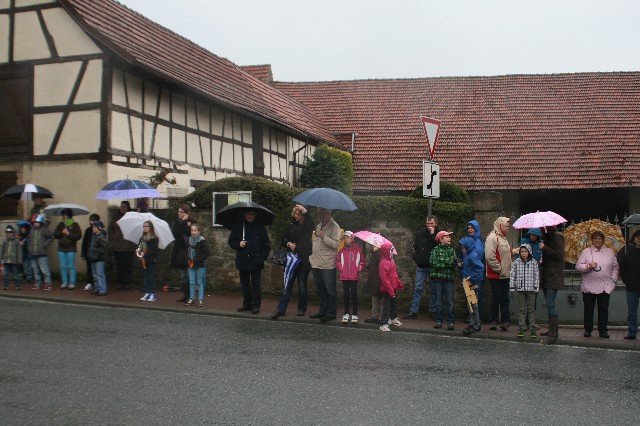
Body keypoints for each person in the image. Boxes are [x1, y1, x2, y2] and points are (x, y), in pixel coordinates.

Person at [272, 204, 314, 319]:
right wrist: (288, 243)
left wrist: (304, 210)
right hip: (291, 259)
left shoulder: (306, 225)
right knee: (287, 285)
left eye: (300, 214)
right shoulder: (290, 224)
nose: (297, 216)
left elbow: (311, 224)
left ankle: (301, 308)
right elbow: (283, 238)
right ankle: (281, 309)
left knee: (302, 286)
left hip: (303, 260)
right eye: (296, 214)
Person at [575, 231, 619, 338]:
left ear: (603, 240)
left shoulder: (610, 252)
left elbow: (615, 267)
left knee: (603, 309)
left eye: (599, 238)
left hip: (605, 286)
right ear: (592, 240)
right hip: (589, 286)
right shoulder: (586, 252)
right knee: (588, 309)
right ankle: (588, 330)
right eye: (595, 238)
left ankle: (603, 330)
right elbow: (578, 266)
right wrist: (588, 266)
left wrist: (613, 280)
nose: (597, 240)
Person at [228, 210, 271, 314]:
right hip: (243, 260)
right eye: (247, 214)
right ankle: (247, 304)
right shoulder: (239, 227)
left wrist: (262, 258)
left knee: (256, 284)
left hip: (256, 260)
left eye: (251, 214)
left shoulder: (260, 228)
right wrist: (239, 244)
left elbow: (266, 244)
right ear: (244, 215)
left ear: (255, 215)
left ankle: (256, 305)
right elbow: (231, 241)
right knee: (245, 284)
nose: (249, 216)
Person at [403, 215, 439, 320]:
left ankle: (433, 311)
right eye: (427, 223)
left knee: (433, 289)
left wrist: (432, 234)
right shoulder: (420, 233)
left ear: (436, 224)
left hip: (433, 266)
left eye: (431, 223)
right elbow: (415, 246)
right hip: (421, 265)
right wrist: (417, 257)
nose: (429, 225)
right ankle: (414, 312)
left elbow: (437, 246)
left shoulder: (439, 234)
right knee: (418, 287)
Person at [309, 207, 341, 323]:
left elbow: (336, 244)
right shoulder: (319, 225)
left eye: (321, 213)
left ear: (328, 213)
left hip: (327, 263)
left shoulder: (335, 227)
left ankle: (331, 313)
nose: (319, 215)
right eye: (318, 213)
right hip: (316, 262)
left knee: (330, 290)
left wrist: (324, 236)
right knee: (320, 289)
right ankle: (322, 311)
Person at [485, 216, 512, 331]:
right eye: (506, 226)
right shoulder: (492, 237)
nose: (508, 228)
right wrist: (499, 269)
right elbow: (489, 256)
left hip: (504, 274)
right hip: (496, 274)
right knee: (496, 297)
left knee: (505, 298)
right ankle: (493, 321)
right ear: (500, 225)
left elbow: (504, 254)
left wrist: (513, 252)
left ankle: (505, 321)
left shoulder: (503, 238)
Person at [539, 225, 565, 344]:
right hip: (547, 275)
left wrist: (544, 248)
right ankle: (552, 330)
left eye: (543, 228)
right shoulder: (547, 238)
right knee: (549, 303)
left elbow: (559, 255)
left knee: (550, 304)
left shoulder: (557, 238)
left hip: (554, 276)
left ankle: (553, 333)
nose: (541, 230)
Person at [509, 243, 540, 338]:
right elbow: (512, 275)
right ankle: (522, 328)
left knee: (531, 310)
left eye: (525, 251)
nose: (523, 253)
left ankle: (532, 329)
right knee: (521, 309)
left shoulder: (534, 262)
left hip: (531, 290)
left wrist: (536, 287)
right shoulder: (516, 262)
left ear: (529, 252)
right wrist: (512, 286)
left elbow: (536, 275)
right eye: (522, 251)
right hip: (520, 290)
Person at [460, 220, 485, 335]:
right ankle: (475, 324)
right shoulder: (469, 254)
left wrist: (471, 279)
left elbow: (480, 267)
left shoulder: (471, 255)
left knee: (472, 304)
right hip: (469, 280)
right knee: (471, 304)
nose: (461, 248)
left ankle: (474, 325)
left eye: (463, 246)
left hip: (471, 281)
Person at [336, 230, 366, 324]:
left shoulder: (358, 250)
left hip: (354, 276)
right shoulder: (341, 251)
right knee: (346, 296)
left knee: (354, 296)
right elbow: (338, 261)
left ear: (352, 239)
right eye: (345, 238)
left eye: (348, 238)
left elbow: (362, 261)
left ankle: (354, 314)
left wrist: (358, 268)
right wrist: (341, 268)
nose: (346, 239)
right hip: (344, 276)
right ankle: (346, 313)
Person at [430, 230, 458, 330]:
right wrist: (447, 262)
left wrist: (442, 261)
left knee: (450, 302)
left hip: (449, 279)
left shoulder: (451, 250)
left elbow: (453, 262)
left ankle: (450, 322)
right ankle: (438, 321)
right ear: (441, 239)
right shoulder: (435, 250)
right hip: (437, 279)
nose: (449, 238)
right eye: (447, 237)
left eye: (449, 237)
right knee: (438, 302)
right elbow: (433, 263)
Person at [617, 229, 640, 340]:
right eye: (637, 237)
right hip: (632, 289)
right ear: (634, 239)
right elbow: (623, 270)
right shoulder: (629, 254)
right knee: (632, 312)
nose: (639, 239)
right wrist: (628, 282)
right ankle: (632, 332)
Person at [171, 204, 197, 299]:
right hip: (180, 251)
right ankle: (186, 295)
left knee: (190, 274)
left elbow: (189, 232)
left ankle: (191, 296)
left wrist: (185, 223)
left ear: (186, 213)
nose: (179, 213)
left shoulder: (192, 222)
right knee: (183, 275)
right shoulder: (177, 222)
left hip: (189, 251)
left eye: (181, 212)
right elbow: (176, 233)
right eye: (178, 211)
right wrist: (183, 223)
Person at [108, 201, 136, 290]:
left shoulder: (131, 218)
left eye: (124, 207)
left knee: (127, 265)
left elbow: (135, 229)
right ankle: (120, 282)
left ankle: (127, 282)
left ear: (128, 208)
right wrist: (113, 237)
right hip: (117, 245)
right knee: (119, 265)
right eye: (121, 206)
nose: (122, 208)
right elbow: (110, 228)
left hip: (128, 246)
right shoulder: (116, 217)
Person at [53, 208, 82, 289]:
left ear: (69, 216)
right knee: (63, 266)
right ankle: (64, 282)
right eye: (63, 216)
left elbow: (78, 236)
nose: (64, 217)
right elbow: (55, 234)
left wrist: (68, 233)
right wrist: (61, 232)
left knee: (71, 266)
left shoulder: (75, 225)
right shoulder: (60, 225)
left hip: (71, 249)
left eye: (65, 216)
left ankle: (72, 282)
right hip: (61, 249)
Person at [378, 242, 404, 332]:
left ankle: (393, 318)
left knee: (393, 304)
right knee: (386, 306)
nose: (393, 252)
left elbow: (394, 274)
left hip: (392, 287)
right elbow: (384, 279)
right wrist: (390, 290)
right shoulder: (383, 263)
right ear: (387, 251)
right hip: (387, 289)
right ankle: (384, 324)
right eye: (391, 250)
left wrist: (398, 283)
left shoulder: (391, 260)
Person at [26, 215, 53, 290]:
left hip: (42, 253)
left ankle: (48, 284)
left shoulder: (44, 230)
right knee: (35, 270)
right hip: (33, 253)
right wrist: (29, 247)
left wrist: (45, 244)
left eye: (37, 222)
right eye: (34, 222)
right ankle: (37, 284)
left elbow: (51, 237)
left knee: (44, 270)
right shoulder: (31, 230)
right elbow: (29, 239)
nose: (36, 223)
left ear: (41, 222)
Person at [186, 224, 209, 307]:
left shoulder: (202, 240)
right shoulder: (189, 240)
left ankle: (200, 299)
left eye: (195, 230)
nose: (193, 232)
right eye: (192, 230)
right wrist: (188, 259)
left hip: (200, 264)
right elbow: (187, 251)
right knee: (191, 282)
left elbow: (206, 253)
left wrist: (197, 259)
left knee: (199, 282)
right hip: (191, 264)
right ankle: (191, 298)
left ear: (198, 231)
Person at [138, 220, 159, 302]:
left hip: (151, 260)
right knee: (145, 277)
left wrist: (144, 254)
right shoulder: (142, 238)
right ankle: (147, 292)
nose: (145, 228)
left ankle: (152, 294)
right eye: (144, 226)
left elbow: (154, 250)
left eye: (146, 226)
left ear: (150, 227)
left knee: (151, 277)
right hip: (144, 260)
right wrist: (139, 252)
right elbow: (139, 247)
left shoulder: (154, 238)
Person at [362, 244, 383, 323]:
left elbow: (376, 266)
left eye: (374, 245)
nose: (373, 246)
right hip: (377, 280)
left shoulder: (377, 255)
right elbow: (373, 266)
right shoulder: (377, 255)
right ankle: (379, 317)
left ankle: (377, 317)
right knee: (377, 300)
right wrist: (368, 265)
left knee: (377, 300)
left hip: (377, 281)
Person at [87, 220, 108, 296]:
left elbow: (105, 247)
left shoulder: (101, 237)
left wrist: (97, 253)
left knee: (100, 274)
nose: (93, 228)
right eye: (93, 227)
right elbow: (90, 246)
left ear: (99, 228)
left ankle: (102, 290)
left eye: (94, 227)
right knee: (95, 275)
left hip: (99, 259)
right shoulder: (94, 236)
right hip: (93, 258)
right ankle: (97, 288)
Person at [80, 214, 100, 292]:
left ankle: (97, 285)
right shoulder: (88, 230)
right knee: (89, 269)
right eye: (90, 221)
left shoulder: (100, 231)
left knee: (97, 271)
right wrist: (83, 253)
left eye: (93, 221)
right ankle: (89, 283)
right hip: (89, 253)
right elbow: (84, 242)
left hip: (97, 254)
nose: (91, 222)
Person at [1, 225, 23, 290]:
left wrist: (19, 260)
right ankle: (5, 285)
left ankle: (17, 285)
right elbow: (2, 250)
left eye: (10, 232)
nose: (8, 234)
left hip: (14, 261)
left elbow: (19, 251)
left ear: (13, 233)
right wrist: (1, 259)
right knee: (5, 274)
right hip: (6, 260)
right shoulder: (5, 241)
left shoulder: (16, 241)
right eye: (7, 232)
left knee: (16, 274)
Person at [17, 221, 34, 285]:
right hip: (22, 254)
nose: (22, 229)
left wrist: (23, 244)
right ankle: (25, 278)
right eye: (21, 228)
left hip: (27, 254)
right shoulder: (20, 236)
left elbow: (30, 245)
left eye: (23, 228)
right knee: (24, 267)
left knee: (28, 267)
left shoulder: (29, 236)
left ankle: (29, 279)